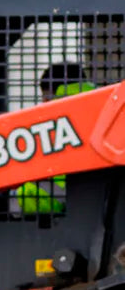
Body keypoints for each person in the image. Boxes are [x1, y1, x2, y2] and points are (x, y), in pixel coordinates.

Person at [14, 61, 95, 217]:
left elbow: (36, 195)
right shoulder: (105, 115)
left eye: (45, 98)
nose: (43, 104)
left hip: (69, 215)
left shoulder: (53, 130)